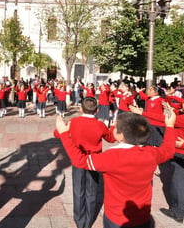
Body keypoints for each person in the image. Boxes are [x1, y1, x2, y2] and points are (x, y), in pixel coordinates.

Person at [55, 107, 177, 228]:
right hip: (143, 218)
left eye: (116, 127)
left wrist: (64, 134)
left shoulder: (112, 157)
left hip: (116, 218)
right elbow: (168, 150)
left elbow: (80, 161)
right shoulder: (152, 153)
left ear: (120, 136)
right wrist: (170, 127)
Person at [131, 95, 184, 222]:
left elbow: (163, 119)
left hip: (182, 154)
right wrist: (171, 109)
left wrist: (141, 112)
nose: (182, 104)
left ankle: (178, 212)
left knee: (179, 184)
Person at [54, 97, 115, 228]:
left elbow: (57, 133)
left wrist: (64, 127)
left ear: (81, 109)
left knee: (78, 190)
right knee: (92, 191)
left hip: (78, 158)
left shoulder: (74, 121)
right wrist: (113, 124)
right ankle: (88, 221)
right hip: (95, 161)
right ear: (97, 110)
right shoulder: (100, 125)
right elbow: (111, 138)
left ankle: (79, 221)